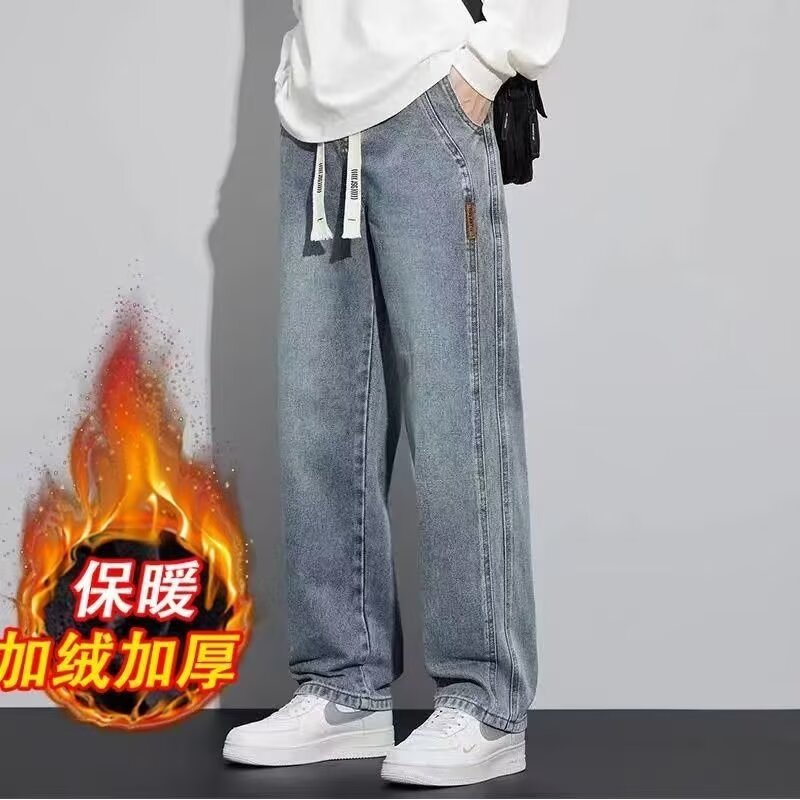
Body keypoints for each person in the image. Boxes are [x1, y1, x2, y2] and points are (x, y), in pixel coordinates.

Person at [223, 0, 569, 787]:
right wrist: (303, 64)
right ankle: (342, 684)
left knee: (457, 413)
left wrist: (492, 60)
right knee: (320, 421)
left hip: (428, 97)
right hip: (316, 122)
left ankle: (486, 700)